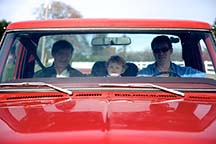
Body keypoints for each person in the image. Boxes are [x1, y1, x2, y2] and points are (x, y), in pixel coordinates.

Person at [137, 35, 206, 77]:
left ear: (171, 51)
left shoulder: (185, 73)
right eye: (157, 50)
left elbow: (206, 79)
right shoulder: (144, 74)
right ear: (153, 53)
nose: (161, 53)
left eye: (164, 49)